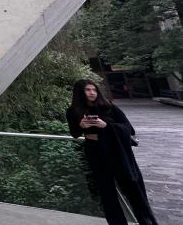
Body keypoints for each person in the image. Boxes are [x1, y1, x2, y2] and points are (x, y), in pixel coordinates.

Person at [66, 79, 159, 225]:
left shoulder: (108, 106)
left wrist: (106, 126)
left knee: (133, 189)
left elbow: (129, 128)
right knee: (106, 193)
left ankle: (147, 222)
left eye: (94, 89)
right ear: (80, 92)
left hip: (117, 151)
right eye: (87, 90)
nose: (92, 93)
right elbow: (74, 134)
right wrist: (81, 126)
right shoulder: (73, 111)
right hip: (95, 152)